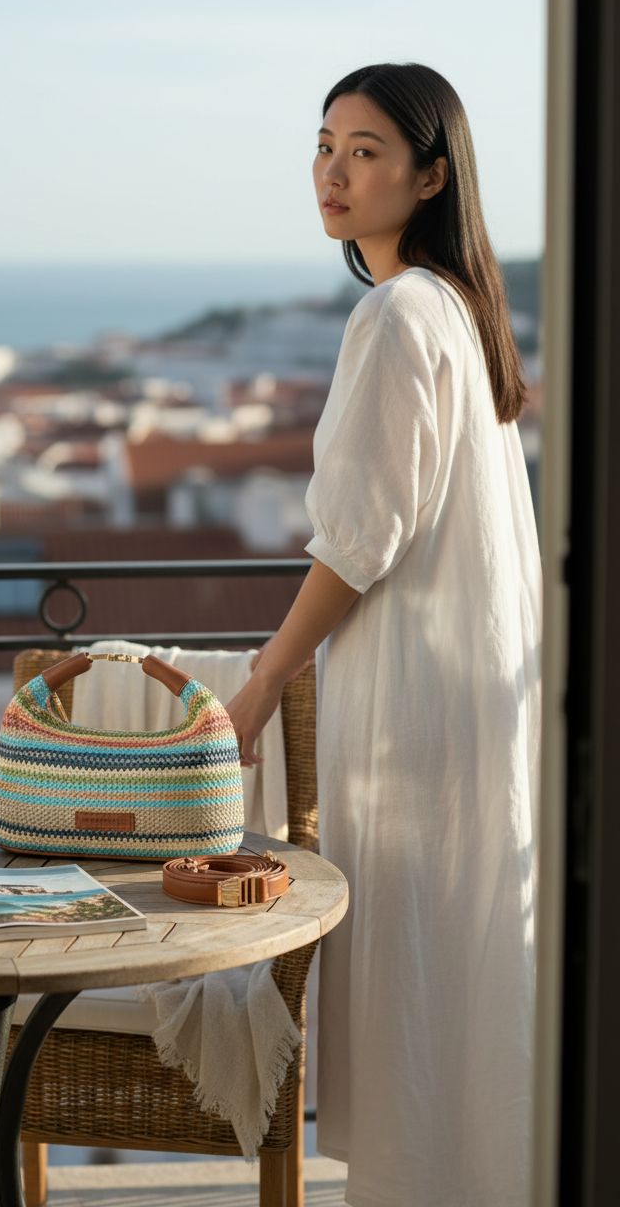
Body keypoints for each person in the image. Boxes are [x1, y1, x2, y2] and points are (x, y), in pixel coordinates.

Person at [226, 62, 541, 1207]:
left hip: (419, 710)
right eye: (323, 145)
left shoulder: (399, 312)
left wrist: (261, 681)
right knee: (465, 991)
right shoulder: (454, 308)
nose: (333, 171)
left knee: (420, 986)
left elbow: (355, 540)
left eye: (364, 150)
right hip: (469, 700)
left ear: (429, 174)